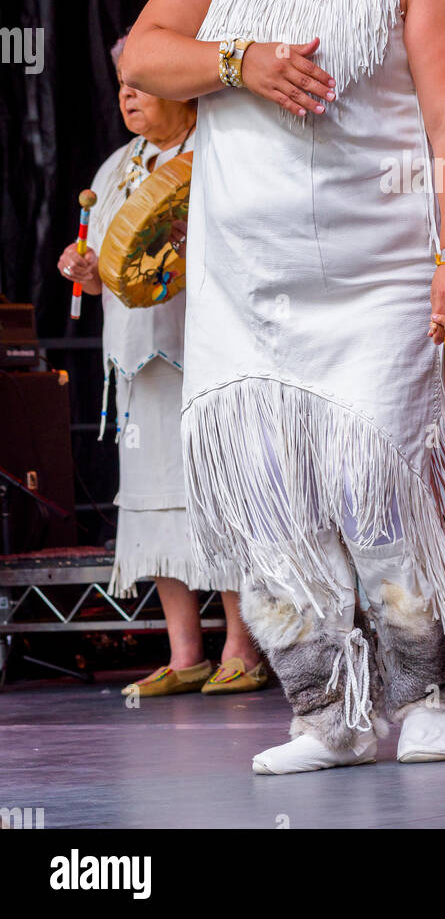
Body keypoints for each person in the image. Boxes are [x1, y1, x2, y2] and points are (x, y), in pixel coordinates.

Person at [120, 0, 445, 770]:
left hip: (376, 277)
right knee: (269, 498)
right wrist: (239, 61)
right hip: (246, 283)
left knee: (378, 494)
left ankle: (427, 692)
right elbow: (142, 52)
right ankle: (326, 710)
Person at [57, 38, 265, 697]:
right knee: (153, 500)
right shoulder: (118, 165)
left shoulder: (220, 156)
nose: (128, 94)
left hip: (209, 353)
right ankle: (184, 655)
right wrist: (85, 274)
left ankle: (243, 646)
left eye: (142, 80)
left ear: (181, 82)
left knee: (218, 495)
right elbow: (114, 273)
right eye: (122, 81)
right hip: (138, 359)